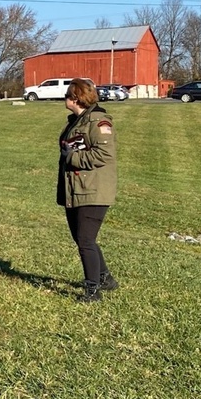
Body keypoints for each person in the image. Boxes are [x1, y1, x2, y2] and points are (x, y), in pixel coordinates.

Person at [58, 77, 118, 303]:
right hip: (76, 188)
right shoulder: (76, 120)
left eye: (67, 95)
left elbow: (105, 155)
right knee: (82, 238)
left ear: (75, 98)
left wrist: (72, 157)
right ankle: (104, 278)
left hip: (94, 190)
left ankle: (92, 291)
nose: (64, 99)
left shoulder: (98, 121)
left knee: (85, 240)